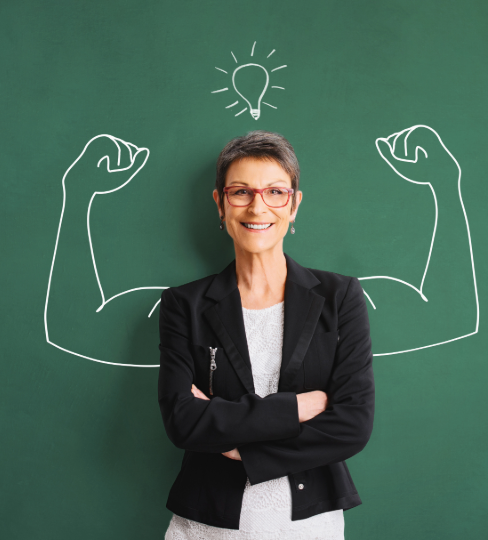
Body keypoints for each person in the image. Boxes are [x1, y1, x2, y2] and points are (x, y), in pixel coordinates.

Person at [155, 131, 375, 539]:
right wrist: (296, 408)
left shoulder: (339, 297)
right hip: (205, 524)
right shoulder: (184, 304)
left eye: (275, 191)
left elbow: (352, 425)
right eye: (241, 192)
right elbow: (182, 421)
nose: (258, 206)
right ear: (220, 204)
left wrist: (242, 448)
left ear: (294, 205)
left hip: (309, 525)